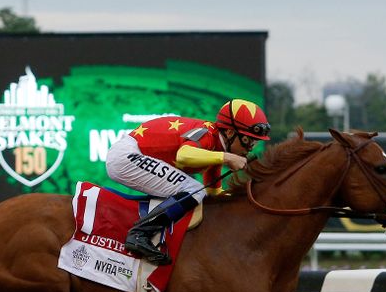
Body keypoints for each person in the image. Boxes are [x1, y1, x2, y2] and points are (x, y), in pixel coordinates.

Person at [105, 98, 270, 265]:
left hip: (130, 154)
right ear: (229, 133)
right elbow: (183, 155)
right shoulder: (207, 134)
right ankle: (139, 234)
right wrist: (227, 157)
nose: (251, 147)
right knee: (194, 189)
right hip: (125, 156)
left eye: (255, 141)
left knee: (197, 191)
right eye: (248, 140)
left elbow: (214, 193)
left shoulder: (217, 146)